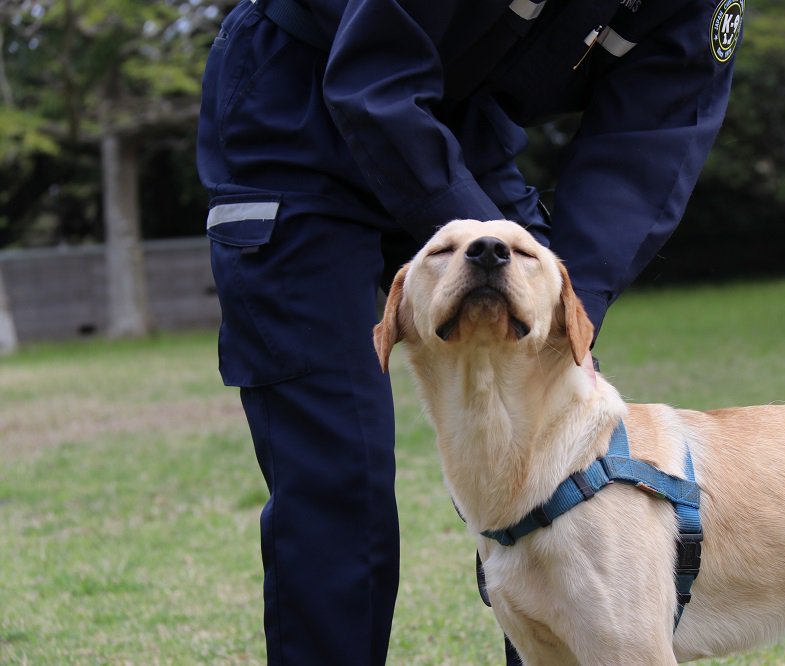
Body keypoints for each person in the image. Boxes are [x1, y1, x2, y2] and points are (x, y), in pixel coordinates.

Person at [196, 0, 742, 663]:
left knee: (554, 444)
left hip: (464, 126)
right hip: (295, 110)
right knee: (336, 463)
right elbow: (376, 84)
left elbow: (653, 139)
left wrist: (569, 306)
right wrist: (493, 256)